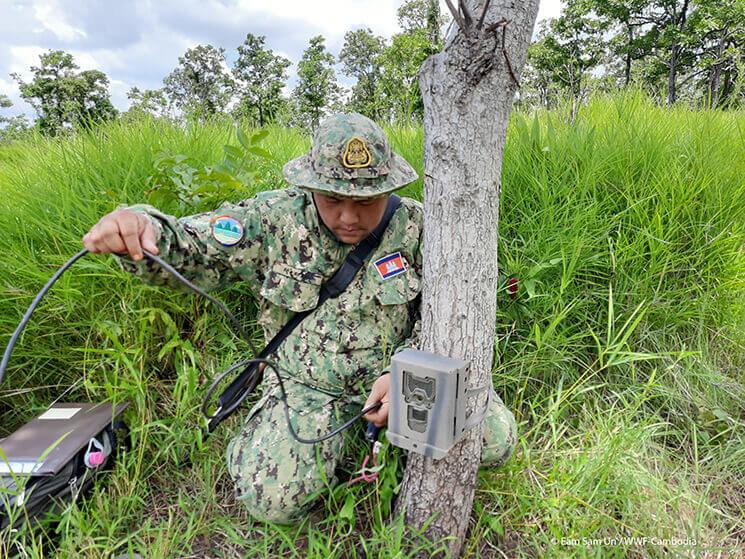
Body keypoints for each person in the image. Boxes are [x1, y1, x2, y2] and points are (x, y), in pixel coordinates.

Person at [81, 113, 518, 525]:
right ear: (310, 188)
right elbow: (194, 245)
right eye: (333, 199)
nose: (349, 217)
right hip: (306, 387)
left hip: (399, 377)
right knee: (272, 498)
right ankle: (308, 439)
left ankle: (376, 438)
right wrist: (140, 226)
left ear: (387, 189)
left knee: (494, 441)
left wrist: (404, 372)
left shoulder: (418, 226)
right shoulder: (272, 219)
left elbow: (445, 312)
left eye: (366, 201)